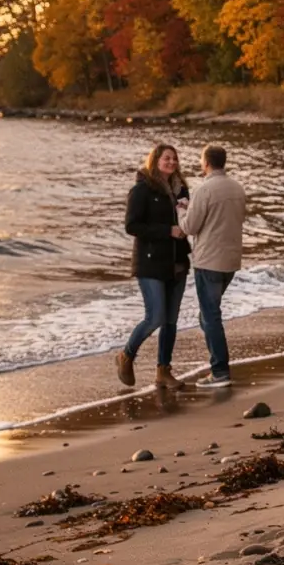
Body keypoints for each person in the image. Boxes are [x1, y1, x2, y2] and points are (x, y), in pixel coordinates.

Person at [116, 143, 191, 390]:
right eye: (166, 158)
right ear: (155, 160)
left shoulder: (182, 190)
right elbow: (132, 226)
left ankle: (163, 372)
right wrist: (166, 231)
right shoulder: (142, 190)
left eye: (174, 159)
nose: (171, 162)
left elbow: (188, 220)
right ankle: (126, 355)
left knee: (170, 320)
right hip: (150, 263)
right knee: (156, 316)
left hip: (178, 262)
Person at [179, 144, 246, 389]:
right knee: (208, 315)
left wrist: (180, 211)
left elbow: (189, 227)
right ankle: (218, 366)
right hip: (231, 261)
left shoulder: (204, 189)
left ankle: (219, 371)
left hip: (209, 262)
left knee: (211, 316)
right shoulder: (237, 188)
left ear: (206, 162)